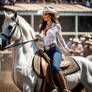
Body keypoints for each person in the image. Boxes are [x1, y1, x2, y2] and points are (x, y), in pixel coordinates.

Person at [37, 6, 70, 92]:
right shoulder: (42, 26)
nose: (44, 16)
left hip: (55, 50)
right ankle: (51, 87)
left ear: (51, 15)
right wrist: (36, 38)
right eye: (43, 14)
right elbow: (42, 39)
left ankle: (65, 89)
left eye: (46, 14)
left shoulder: (57, 26)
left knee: (55, 67)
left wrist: (68, 50)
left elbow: (61, 40)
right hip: (45, 51)